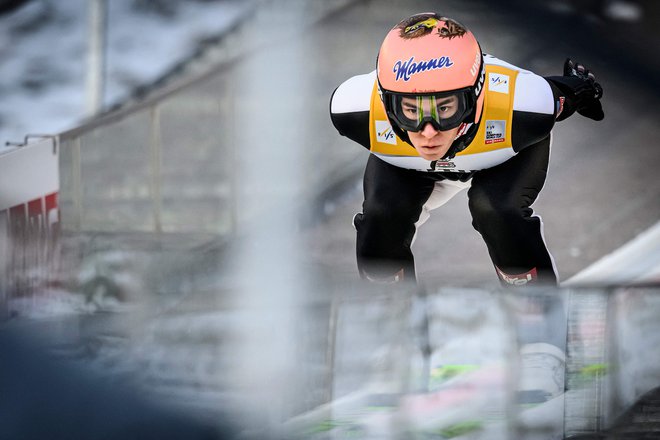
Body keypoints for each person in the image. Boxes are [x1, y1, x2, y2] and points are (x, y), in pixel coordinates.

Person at [329, 12, 604, 286]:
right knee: (381, 218)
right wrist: (582, 88)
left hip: (499, 160)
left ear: (476, 96)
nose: (428, 132)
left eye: (446, 108)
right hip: (439, 159)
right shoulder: (355, 110)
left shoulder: (524, 107)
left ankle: (535, 311)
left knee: (497, 211)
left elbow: (562, 94)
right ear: (386, 104)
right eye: (411, 110)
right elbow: (565, 93)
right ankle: (389, 313)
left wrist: (580, 89)